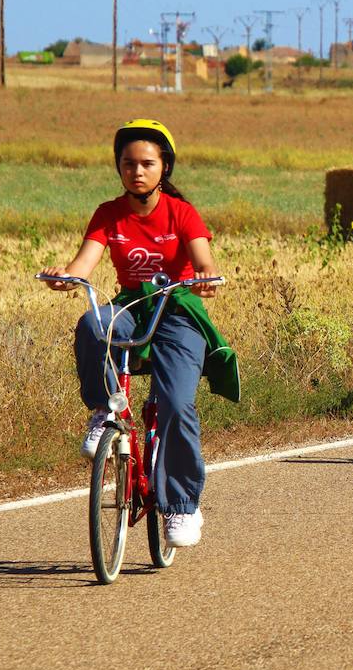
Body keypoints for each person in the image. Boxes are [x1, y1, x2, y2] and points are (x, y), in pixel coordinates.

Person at [38, 119, 238, 548]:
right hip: (132, 306)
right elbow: (82, 267)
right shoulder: (109, 213)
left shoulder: (181, 213)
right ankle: (103, 411)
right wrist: (64, 277)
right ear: (119, 168)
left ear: (164, 167)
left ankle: (182, 506)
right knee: (93, 322)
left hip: (178, 312)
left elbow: (204, 258)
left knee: (177, 405)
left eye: (147, 163)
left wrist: (205, 276)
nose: (137, 171)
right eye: (128, 164)